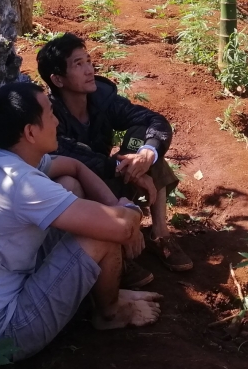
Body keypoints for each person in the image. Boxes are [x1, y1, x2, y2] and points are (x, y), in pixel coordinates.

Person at [0, 82, 162, 360]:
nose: (57, 121)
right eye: (50, 115)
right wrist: (129, 209)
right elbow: (120, 227)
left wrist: (115, 207)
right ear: (31, 132)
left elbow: (74, 167)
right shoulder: (22, 185)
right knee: (100, 233)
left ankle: (103, 293)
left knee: (69, 185)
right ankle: (110, 312)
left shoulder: (0, 158)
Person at [36, 33, 193, 278]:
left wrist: (145, 155)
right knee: (70, 182)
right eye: (78, 64)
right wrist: (119, 168)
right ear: (57, 79)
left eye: (88, 60)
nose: (89, 69)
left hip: (108, 177)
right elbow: (71, 158)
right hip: (84, 195)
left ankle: (160, 234)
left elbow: (153, 120)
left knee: (145, 141)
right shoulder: (50, 116)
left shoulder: (101, 98)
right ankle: (111, 250)